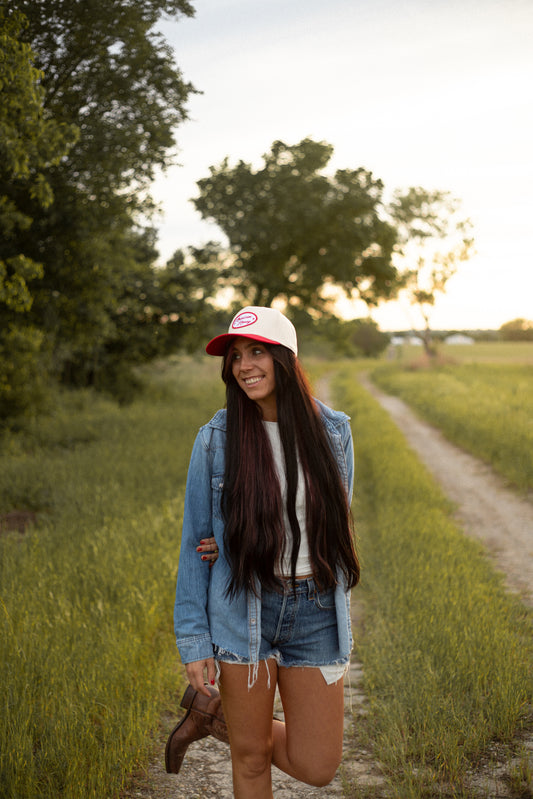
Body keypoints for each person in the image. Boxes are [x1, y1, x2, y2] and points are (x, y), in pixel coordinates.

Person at [166, 306, 359, 798]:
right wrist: (194, 640)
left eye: (256, 352)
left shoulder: (332, 432)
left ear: (285, 359)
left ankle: (210, 715)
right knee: (250, 760)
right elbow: (195, 542)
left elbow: (334, 526)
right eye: (235, 357)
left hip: (315, 609)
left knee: (317, 766)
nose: (244, 365)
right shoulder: (216, 439)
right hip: (242, 606)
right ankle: (229, 719)